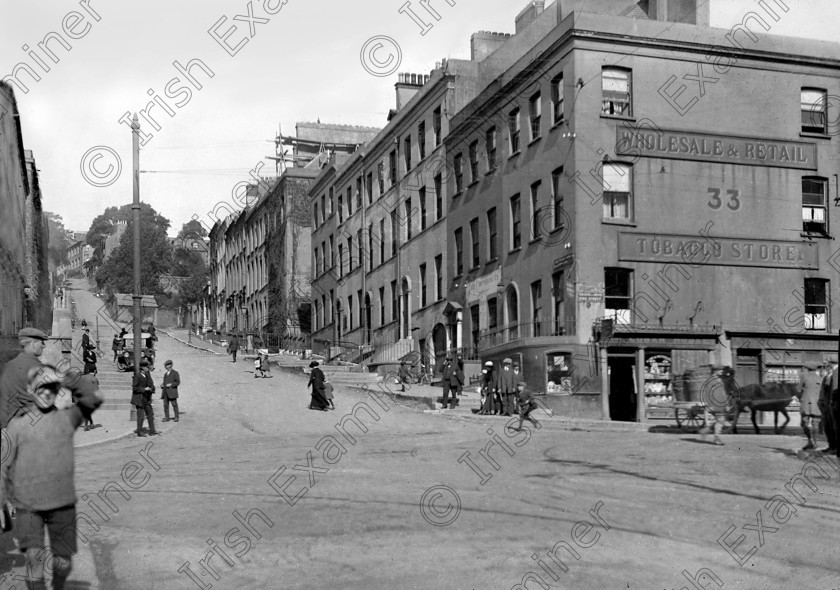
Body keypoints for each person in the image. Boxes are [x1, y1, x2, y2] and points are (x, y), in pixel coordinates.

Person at [0, 365, 103, 590]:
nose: (47, 393)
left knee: (63, 563)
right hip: (27, 505)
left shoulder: (68, 418)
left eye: (52, 388)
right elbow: (4, 466)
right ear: (30, 390)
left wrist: (64, 377)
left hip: (62, 502)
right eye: (41, 387)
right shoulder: (16, 425)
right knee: (34, 559)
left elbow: (95, 397)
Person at [0, 328, 48, 430]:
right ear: (33, 344)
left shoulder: (8, 366)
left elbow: (3, 402)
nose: (44, 346)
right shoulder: (40, 369)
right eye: (42, 342)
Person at [132, 359, 159, 437]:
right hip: (140, 399)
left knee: (150, 414)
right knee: (140, 416)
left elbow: (151, 384)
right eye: (147, 367)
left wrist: (152, 388)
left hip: (146, 399)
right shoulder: (137, 376)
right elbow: (134, 388)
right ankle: (139, 432)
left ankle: (152, 431)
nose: (148, 368)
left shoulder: (147, 375)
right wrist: (144, 389)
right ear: (142, 368)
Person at [800, 363, 822, 451]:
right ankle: (815, 442)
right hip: (817, 404)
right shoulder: (820, 378)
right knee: (815, 423)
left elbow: (798, 389)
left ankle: (809, 441)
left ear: (808, 369)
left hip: (806, 404)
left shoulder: (804, 377)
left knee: (804, 423)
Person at [819, 363, 837, 453]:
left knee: (833, 427)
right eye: (826, 367)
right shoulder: (826, 377)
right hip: (825, 405)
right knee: (827, 426)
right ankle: (831, 445)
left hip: (831, 405)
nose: (827, 368)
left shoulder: (834, 376)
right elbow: (822, 391)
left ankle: (834, 447)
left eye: (828, 367)